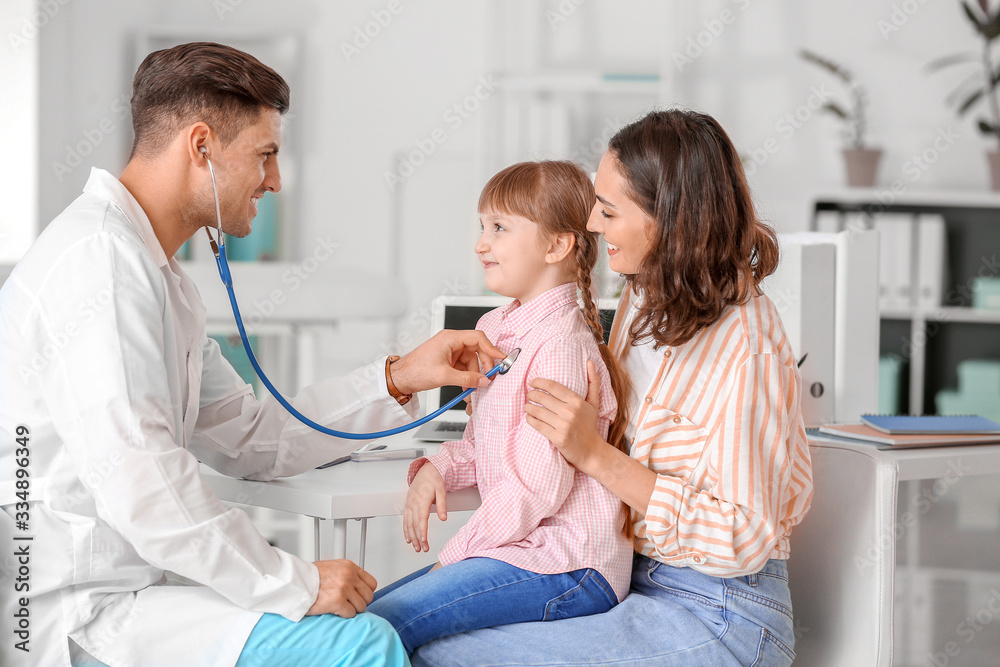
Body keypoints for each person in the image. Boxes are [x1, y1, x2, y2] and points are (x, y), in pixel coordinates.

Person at [0, 42, 504, 667]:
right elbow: (141, 481)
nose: (276, 180)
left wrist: (400, 377)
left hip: (126, 593)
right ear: (202, 146)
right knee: (363, 645)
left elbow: (250, 436)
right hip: (77, 612)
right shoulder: (100, 263)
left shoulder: (153, 274)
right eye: (265, 155)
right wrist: (295, 580)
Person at [411, 110, 815, 666]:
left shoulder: (748, 346)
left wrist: (595, 455)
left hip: (719, 611)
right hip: (628, 576)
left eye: (608, 210)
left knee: (438, 655)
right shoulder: (644, 297)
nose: (594, 227)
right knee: (415, 639)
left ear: (668, 216)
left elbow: (746, 535)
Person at [366, 161, 634, 653]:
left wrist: (456, 556)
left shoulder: (559, 347)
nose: (480, 244)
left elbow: (538, 486)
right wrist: (437, 469)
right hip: (525, 551)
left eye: (499, 228)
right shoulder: (499, 328)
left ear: (556, 246)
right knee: (367, 617)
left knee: (382, 625)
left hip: (570, 563)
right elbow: (485, 444)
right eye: (482, 227)